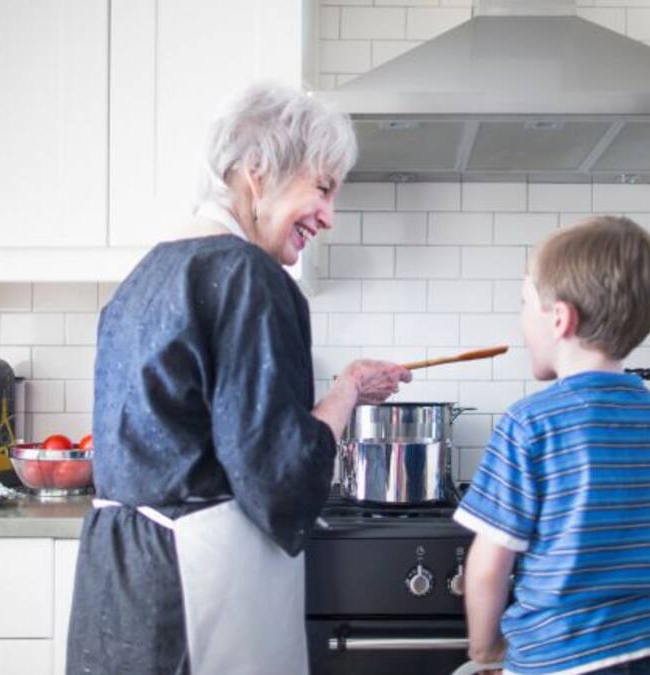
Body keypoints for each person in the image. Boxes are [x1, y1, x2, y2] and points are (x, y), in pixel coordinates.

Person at [65, 82, 411, 675]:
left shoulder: (143, 275)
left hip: (119, 581)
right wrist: (345, 393)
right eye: (322, 188)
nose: (328, 216)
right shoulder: (247, 275)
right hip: (196, 586)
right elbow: (281, 475)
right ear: (259, 169)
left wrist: (346, 385)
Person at [455, 216, 650, 675]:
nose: (521, 320)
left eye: (525, 304)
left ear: (560, 318)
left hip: (560, 658)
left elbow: (489, 564)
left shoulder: (529, 424)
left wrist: (484, 649)